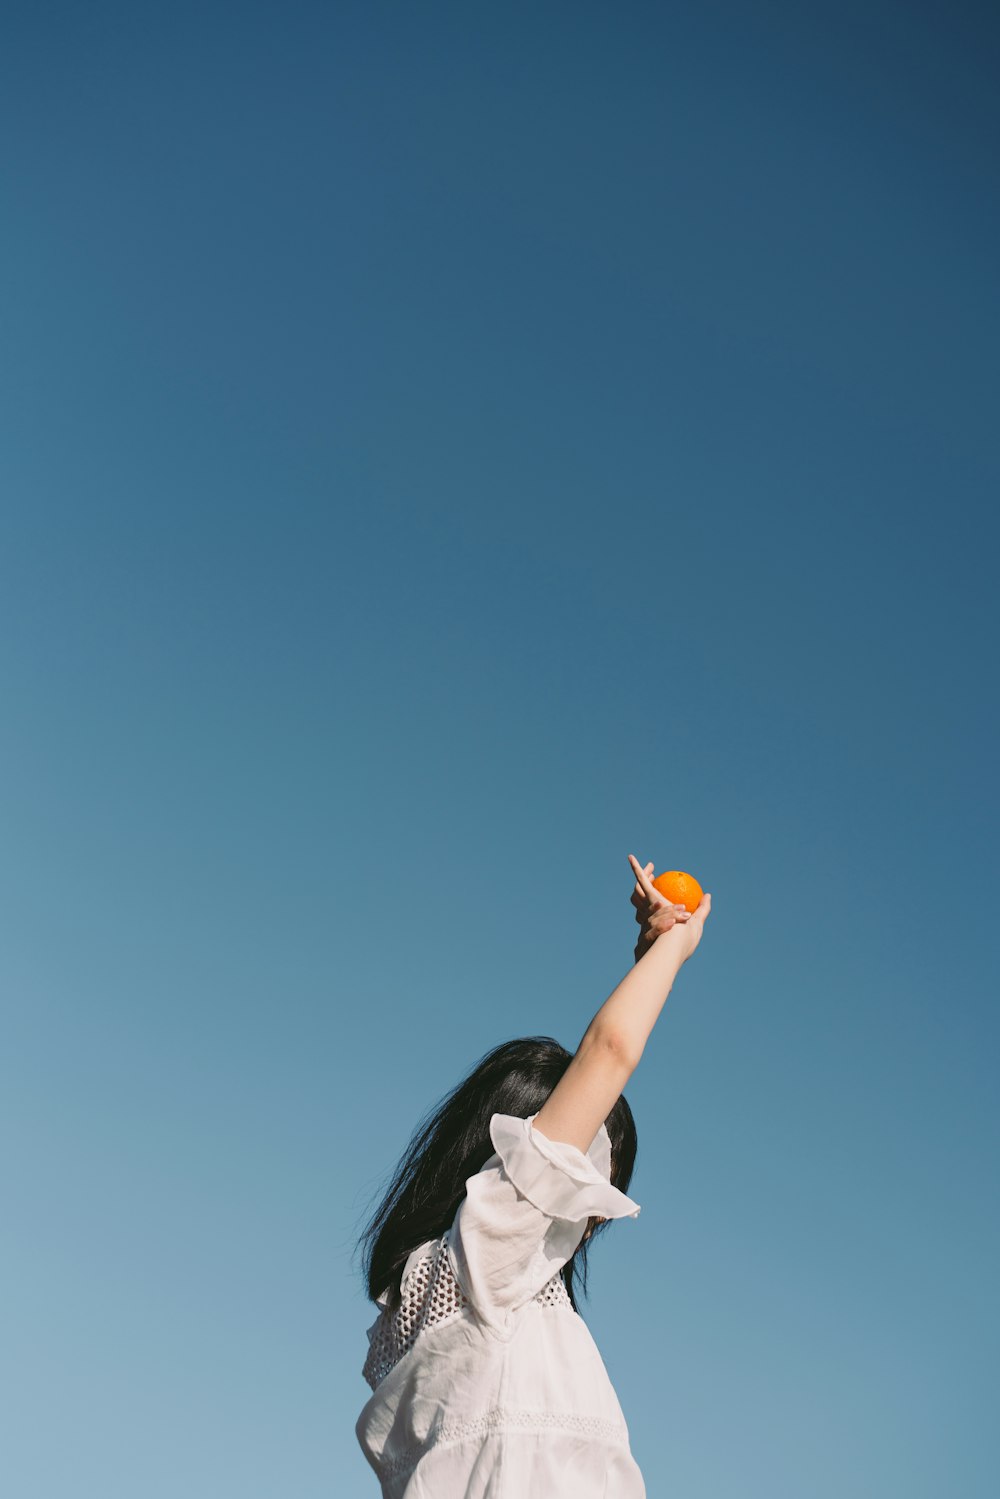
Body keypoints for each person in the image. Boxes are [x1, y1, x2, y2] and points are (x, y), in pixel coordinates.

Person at [355, 854, 713, 1497]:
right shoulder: (487, 1252)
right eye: (590, 1179)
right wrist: (675, 948)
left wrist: (651, 957)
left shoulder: (450, 1294)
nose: (596, 1212)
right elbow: (609, 1052)